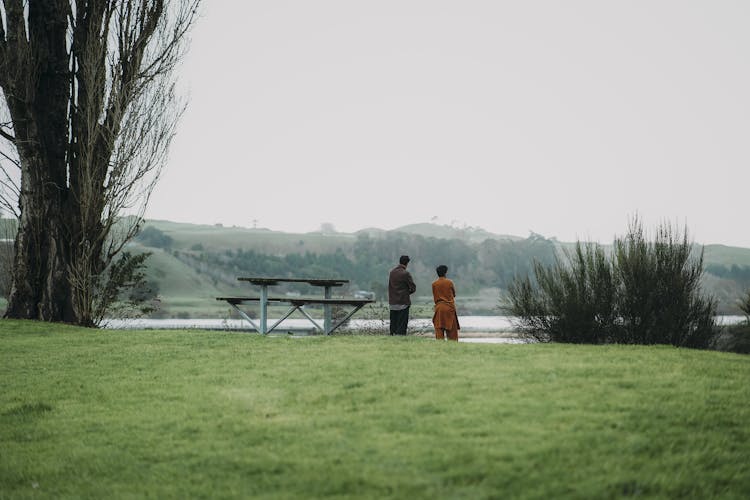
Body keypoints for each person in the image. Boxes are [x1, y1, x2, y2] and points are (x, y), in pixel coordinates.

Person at [388, 255, 416, 335]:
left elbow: (390, 286)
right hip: (403, 302)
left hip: (393, 302)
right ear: (407, 263)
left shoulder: (392, 272)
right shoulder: (406, 273)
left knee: (393, 323)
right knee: (402, 325)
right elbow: (413, 288)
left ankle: (392, 337)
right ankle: (400, 338)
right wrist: (407, 293)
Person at [431, 264, 460, 341]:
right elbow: (454, 295)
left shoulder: (434, 284)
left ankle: (440, 346)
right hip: (449, 308)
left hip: (439, 309)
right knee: (452, 333)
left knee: (439, 331)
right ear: (445, 273)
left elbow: (435, 295)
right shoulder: (449, 282)